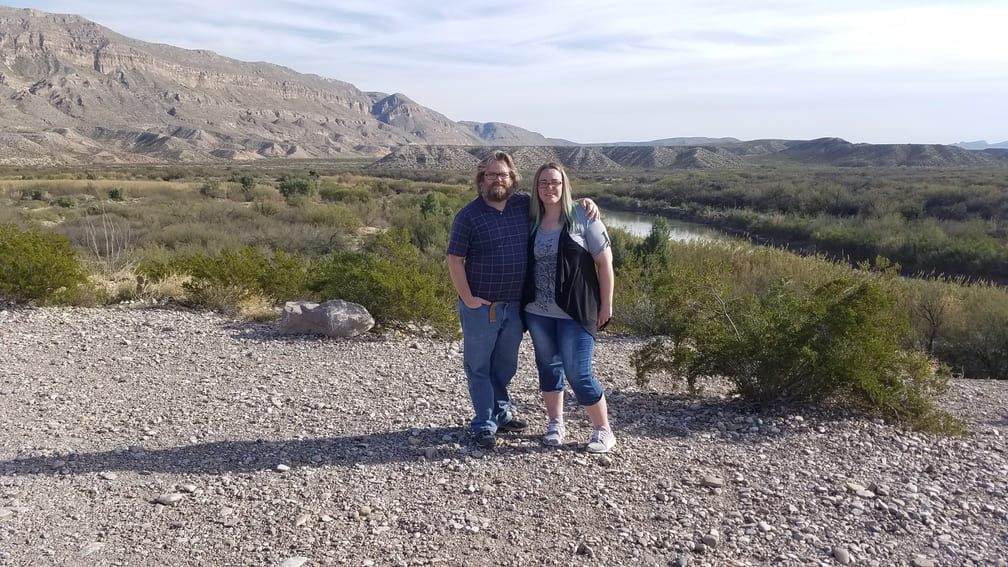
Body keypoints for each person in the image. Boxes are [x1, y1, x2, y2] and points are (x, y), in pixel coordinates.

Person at [446, 151, 598, 450]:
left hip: (516, 306)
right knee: (479, 366)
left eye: (503, 174)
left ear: (512, 178)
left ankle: (501, 414)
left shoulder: (522, 205)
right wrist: (468, 298)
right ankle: (484, 423)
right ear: (481, 179)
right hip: (482, 306)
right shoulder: (468, 216)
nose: (497, 180)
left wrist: (584, 202)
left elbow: (553, 200)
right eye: (491, 174)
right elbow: (454, 259)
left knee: (504, 365)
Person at [522, 162, 616, 453]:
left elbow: (605, 263)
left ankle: (603, 430)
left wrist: (606, 304)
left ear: (564, 186)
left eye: (555, 182)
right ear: (536, 187)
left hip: (576, 311)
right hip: (538, 312)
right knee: (548, 368)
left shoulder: (583, 217)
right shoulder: (531, 219)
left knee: (578, 372)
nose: (549, 187)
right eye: (543, 183)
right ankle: (555, 423)